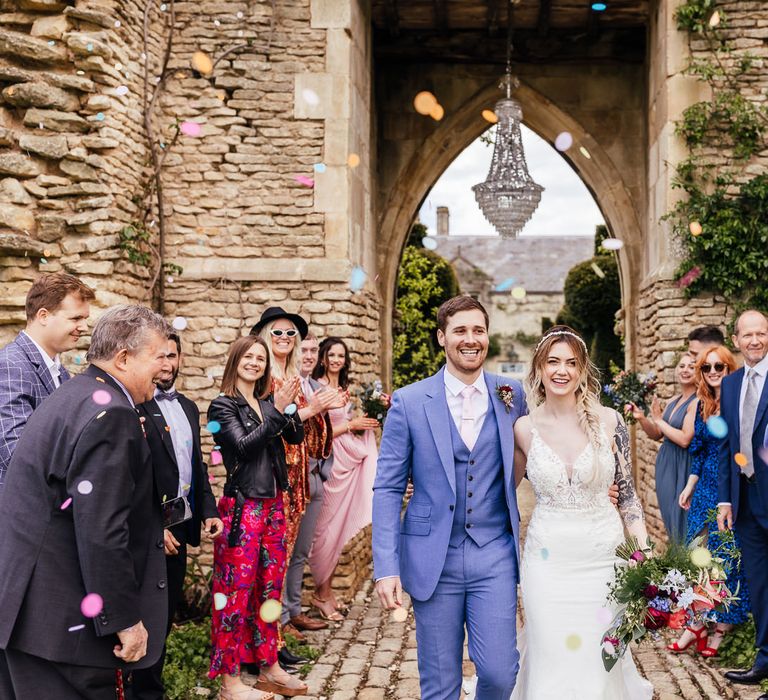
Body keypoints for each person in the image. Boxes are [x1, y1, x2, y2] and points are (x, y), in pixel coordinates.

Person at [0, 305, 171, 700]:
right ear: (124, 358)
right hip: (64, 628)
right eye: (157, 357)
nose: (164, 369)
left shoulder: (74, 396)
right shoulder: (111, 414)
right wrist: (125, 620)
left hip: (30, 617)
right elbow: (101, 529)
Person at [373, 295, 527, 699]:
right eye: (460, 330)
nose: (470, 339)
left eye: (478, 330)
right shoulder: (408, 402)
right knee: (440, 685)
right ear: (442, 338)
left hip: (494, 552)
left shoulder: (513, 394)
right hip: (431, 557)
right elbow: (388, 487)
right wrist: (386, 567)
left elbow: (542, 452)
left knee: (499, 673)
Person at [510, 325, 652, 699]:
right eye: (553, 361)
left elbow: (629, 498)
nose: (562, 370)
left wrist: (643, 553)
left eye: (571, 363)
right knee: (551, 654)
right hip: (547, 564)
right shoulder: (522, 429)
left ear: (583, 370)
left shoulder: (610, 421)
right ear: (539, 369)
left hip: (603, 562)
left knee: (597, 661)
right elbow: (500, 492)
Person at [207, 335, 307, 699]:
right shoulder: (222, 407)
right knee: (234, 594)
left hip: (273, 505)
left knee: (269, 590)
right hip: (242, 508)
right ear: (235, 361)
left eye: (260, 359)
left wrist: (289, 405)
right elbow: (244, 448)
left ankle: (269, 666)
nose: (255, 363)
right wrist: (277, 409)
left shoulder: (268, 402)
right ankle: (230, 682)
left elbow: (294, 437)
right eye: (248, 356)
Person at [130, 332, 224, 700]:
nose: (168, 364)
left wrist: (209, 510)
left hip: (181, 527)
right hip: (149, 529)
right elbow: (133, 475)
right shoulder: (134, 406)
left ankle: (152, 688)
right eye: (160, 356)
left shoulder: (187, 406)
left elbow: (194, 465)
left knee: (165, 615)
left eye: (173, 355)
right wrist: (154, 524)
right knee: (143, 615)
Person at [668, 346, 749, 657]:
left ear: (730, 368)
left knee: (727, 559)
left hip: (732, 487)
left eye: (719, 366)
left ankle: (720, 629)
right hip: (704, 489)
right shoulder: (703, 405)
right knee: (698, 556)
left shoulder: (741, 402)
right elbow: (698, 452)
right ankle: (698, 621)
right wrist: (689, 486)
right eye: (707, 367)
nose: (713, 372)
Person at [309, 337, 380, 621]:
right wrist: (351, 425)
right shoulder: (319, 389)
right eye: (331, 355)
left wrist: (367, 420)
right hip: (330, 464)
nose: (337, 359)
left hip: (348, 460)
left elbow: (346, 425)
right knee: (324, 531)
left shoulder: (344, 389)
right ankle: (320, 592)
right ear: (323, 358)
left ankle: (325, 592)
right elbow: (318, 433)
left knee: (338, 532)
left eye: (341, 355)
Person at [0, 271, 94, 485]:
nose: (84, 327)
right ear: (43, 316)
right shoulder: (11, 365)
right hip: (18, 512)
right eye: (76, 318)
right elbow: (14, 454)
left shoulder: (61, 372)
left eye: (85, 319)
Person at [718, 310, 768, 697]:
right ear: (737, 340)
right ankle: (764, 658)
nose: (755, 340)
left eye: (761, 333)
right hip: (746, 500)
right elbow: (726, 444)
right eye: (747, 334)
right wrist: (724, 500)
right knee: (759, 585)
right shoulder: (732, 384)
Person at [280, 332, 332, 640]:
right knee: (283, 551)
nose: (310, 355)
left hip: (314, 475)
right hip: (291, 478)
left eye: (314, 350)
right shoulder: (287, 386)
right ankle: (282, 617)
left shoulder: (315, 387)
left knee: (300, 551)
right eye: (306, 350)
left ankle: (295, 609)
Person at [630, 352, 698, 542]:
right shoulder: (673, 401)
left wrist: (659, 420)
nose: (685, 370)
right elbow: (657, 434)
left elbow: (685, 438)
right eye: (682, 366)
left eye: (691, 367)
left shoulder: (697, 402)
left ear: (698, 371)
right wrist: (643, 418)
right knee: (670, 517)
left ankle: (690, 566)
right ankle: (680, 564)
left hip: (684, 464)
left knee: (683, 519)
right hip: (666, 464)